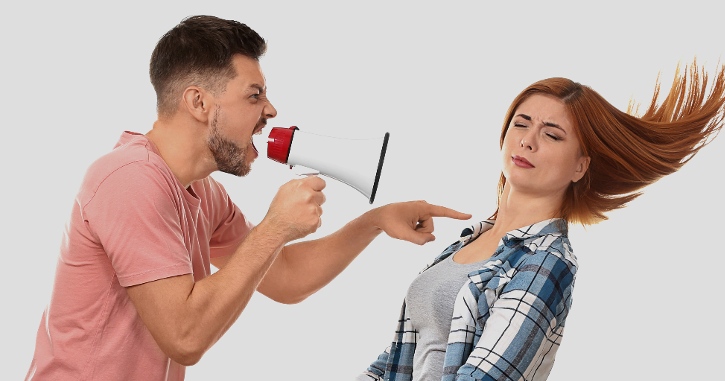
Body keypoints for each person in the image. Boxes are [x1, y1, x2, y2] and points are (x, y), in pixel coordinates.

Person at [24, 15, 472, 381]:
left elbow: (286, 277)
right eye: (254, 95)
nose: (271, 111)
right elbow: (184, 337)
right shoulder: (128, 179)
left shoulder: (203, 193)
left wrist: (374, 221)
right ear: (199, 102)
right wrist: (276, 225)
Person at [356, 60, 725, 381]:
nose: (528, 141)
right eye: (521, 124)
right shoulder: (465, 243)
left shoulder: (547, 262)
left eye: (552, 135)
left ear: (579, 166)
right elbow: (394, 360)